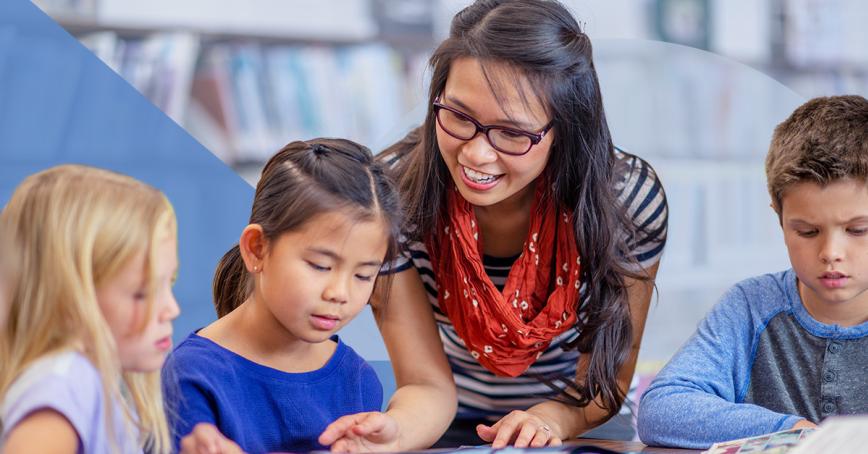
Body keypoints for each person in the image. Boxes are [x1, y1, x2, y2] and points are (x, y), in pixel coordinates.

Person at [320, 0, 669, 449]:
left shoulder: (626, 202)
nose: (476, 155)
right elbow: (425, 384)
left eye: (512, 133)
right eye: (459, 116)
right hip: (450, 418)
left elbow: (607, 381)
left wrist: (552, 419)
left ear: (564, 129)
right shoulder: (392, 199)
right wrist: (389, 438)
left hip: (584, 417)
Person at [637, 95, 868, 448]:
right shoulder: (751, 307)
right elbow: (662, 408)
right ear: (778, 215)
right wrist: (793, 430)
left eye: (858, 230)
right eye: (806, 231)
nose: (831, 253)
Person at [162, 138, 403, 453]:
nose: (340, 293)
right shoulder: (192, 377)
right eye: (320, 265)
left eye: (363, 275)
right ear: (257, 249)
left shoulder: (357, 380)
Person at [0, 165, 180, 454]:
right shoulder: (66, 381)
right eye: (142, 293)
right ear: (68, 301)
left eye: (168, 284)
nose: (171, 309)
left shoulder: (92, 386)